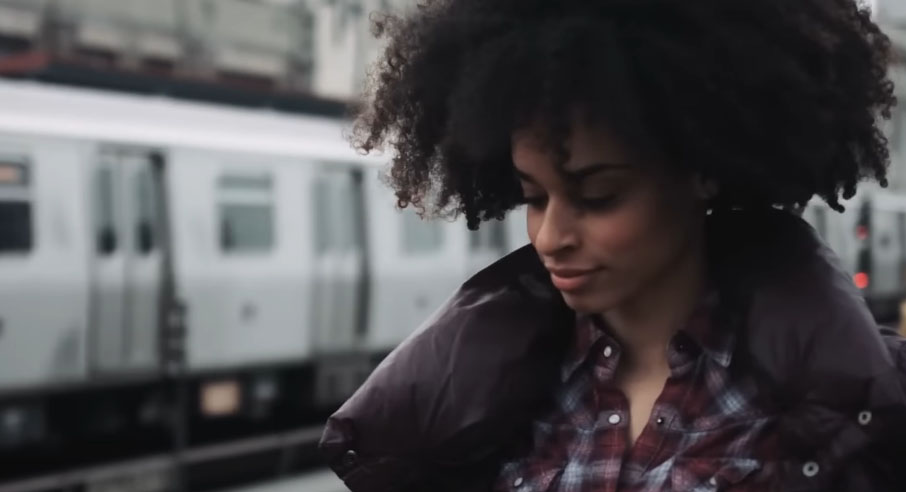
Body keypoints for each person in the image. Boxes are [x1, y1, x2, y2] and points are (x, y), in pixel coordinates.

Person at [319, 0, 906, 490]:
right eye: (534, 197)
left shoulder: (858, 404)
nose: (551, 237)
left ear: (704, 168)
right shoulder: (475, 407)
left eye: (598, 195)